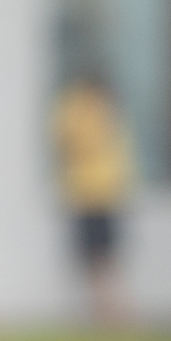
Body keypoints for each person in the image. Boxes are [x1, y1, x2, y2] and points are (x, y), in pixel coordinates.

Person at [52, 72, 133, 326]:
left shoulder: (84, 111)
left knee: (101, 258)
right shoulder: (89, 111)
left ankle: (112, 313)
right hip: (92, 194)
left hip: (97, 194)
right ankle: (107, 312)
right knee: (97, 258)